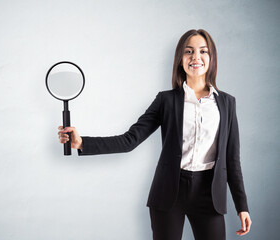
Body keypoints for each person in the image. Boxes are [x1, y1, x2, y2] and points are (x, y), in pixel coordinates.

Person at [57, 29, 252, 240]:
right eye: (188, 52)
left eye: (203, 51)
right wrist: (82, 142)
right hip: (169, 193)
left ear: (211, 57)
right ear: (180, 59)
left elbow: (232, 159)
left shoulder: (226, 103)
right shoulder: (166, 101)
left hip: (210, 194)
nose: (196, 57)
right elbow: (130, 140)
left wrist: (242, 206)